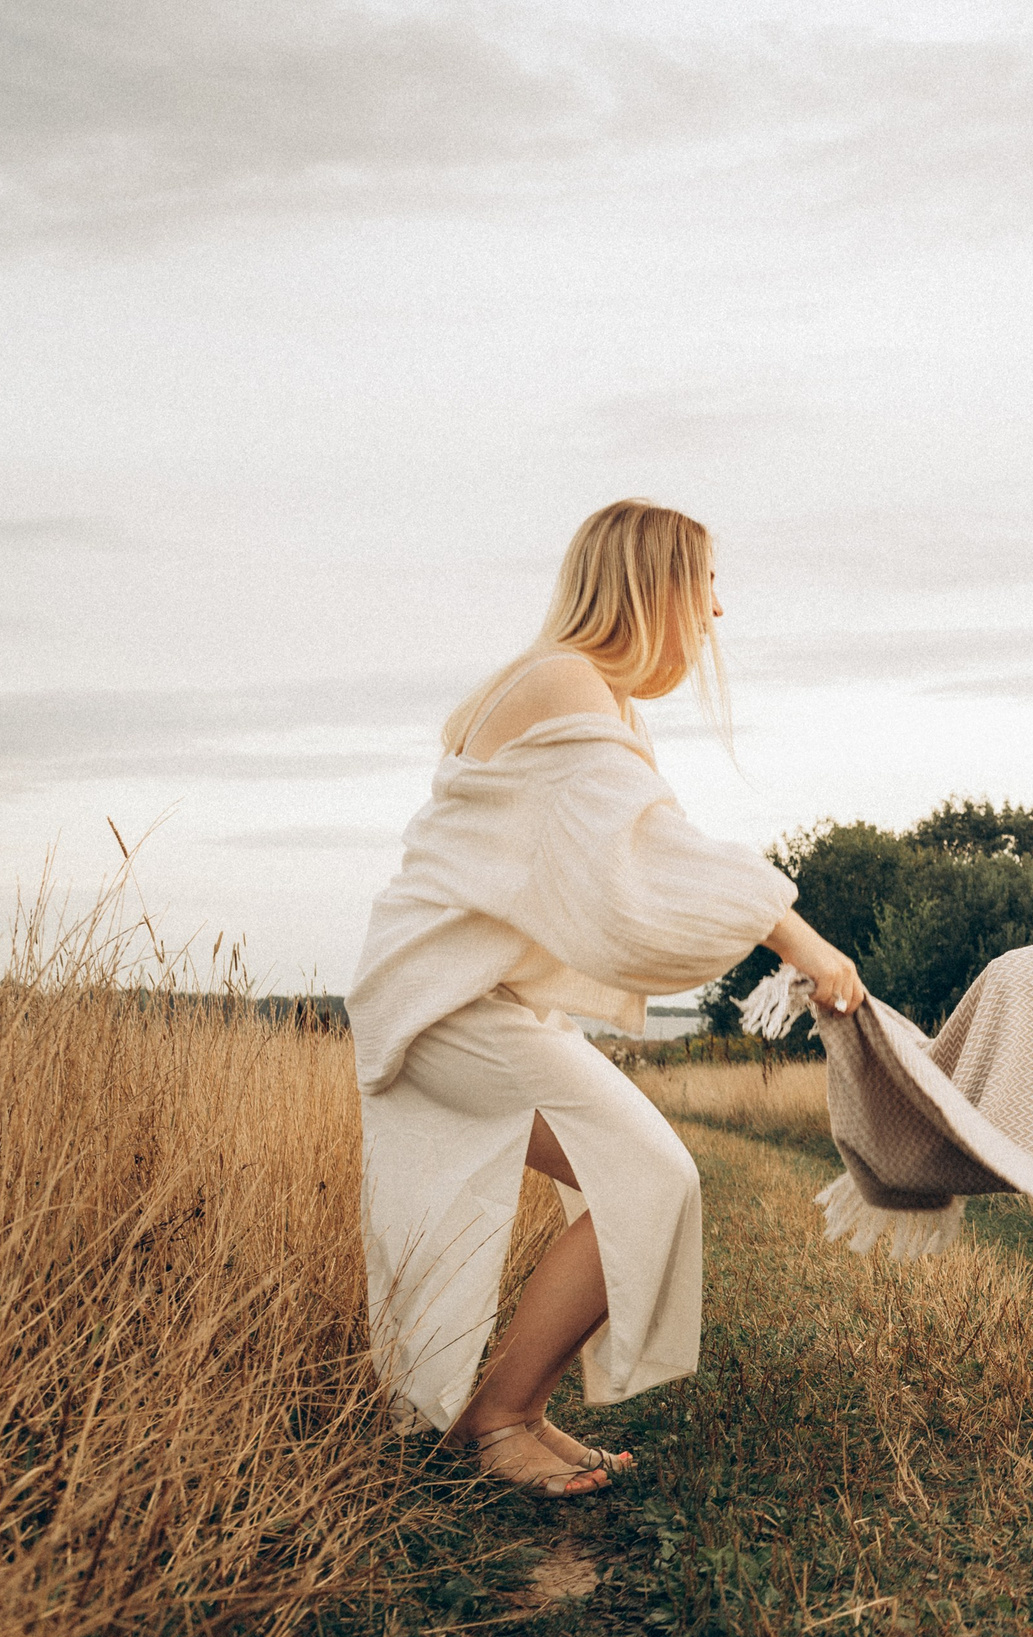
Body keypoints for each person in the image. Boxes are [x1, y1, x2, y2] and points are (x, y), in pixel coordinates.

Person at [348, 500, 865, 1497]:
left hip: (463, 998)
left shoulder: (581, 693)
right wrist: (799, 936)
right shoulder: (559, 682)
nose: (716, 611)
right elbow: (653, 852)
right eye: (706, 584)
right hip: (443, 1002)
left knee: (642, 1176)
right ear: (653, 584)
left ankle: (510, 1410)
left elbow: (618, 860)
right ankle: (501, 1418)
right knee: (650, 1175)